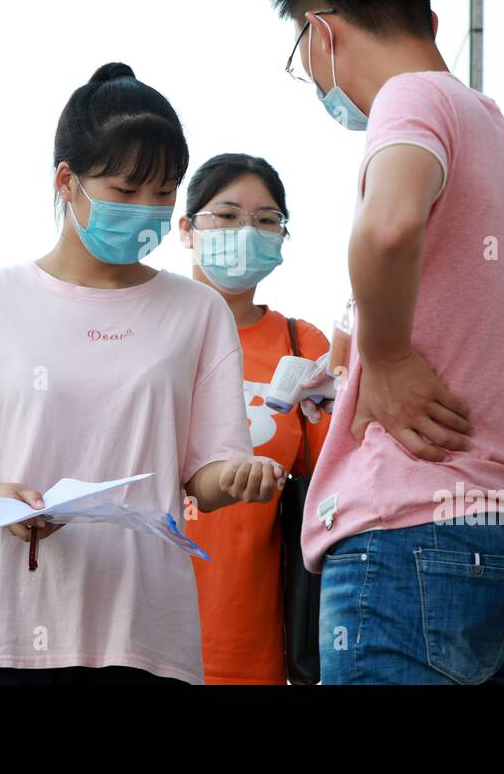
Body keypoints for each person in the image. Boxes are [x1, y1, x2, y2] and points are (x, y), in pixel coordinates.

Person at [0, 62, 279, 685]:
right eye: (126, 191)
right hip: (9, 638)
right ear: (66, 181)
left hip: (146, 638)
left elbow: (206, 476)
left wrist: (239, 477)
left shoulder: (197, 311)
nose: (147, 210)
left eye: (163, 193)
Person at [271, 0, 504, 684]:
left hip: (405, 543)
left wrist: (390, 356)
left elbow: (389, 227)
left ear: (320, 34)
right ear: (426, 17)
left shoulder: (411, 102)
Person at [177, 153, 333, 684]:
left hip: (253, 643)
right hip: (137, 633)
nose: (247, 232)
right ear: (185, 228)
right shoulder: (139, 329)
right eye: (226, 215)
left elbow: (332, 483)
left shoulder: (302, 346)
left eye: (266, 220)